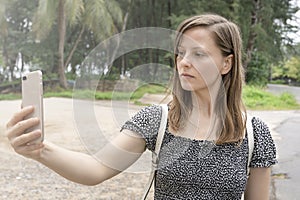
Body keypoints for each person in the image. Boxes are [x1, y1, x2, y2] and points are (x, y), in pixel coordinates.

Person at [5, 14, 277, 199]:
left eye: (199, 54)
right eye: (181, 52)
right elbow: (94, 169)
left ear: (226, 63)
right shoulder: (157, 121)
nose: (184, 62)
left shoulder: (254, 134)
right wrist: (40, 150)